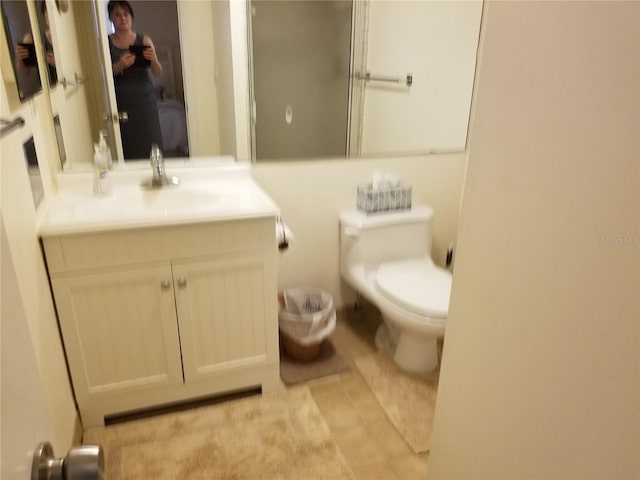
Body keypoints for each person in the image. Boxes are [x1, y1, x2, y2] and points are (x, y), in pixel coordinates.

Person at [108, 0, 163, 160]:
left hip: (145, 100)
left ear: (131, 17)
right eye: (117, 15)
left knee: (150, 140)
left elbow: (157, 72)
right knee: (127, 144)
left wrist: (154, 59)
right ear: (111, 18)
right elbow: (102, 75)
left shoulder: (144, 40)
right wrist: (120, 65)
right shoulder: (105, 42)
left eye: (126, 14)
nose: (122, 18)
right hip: (121, 101)